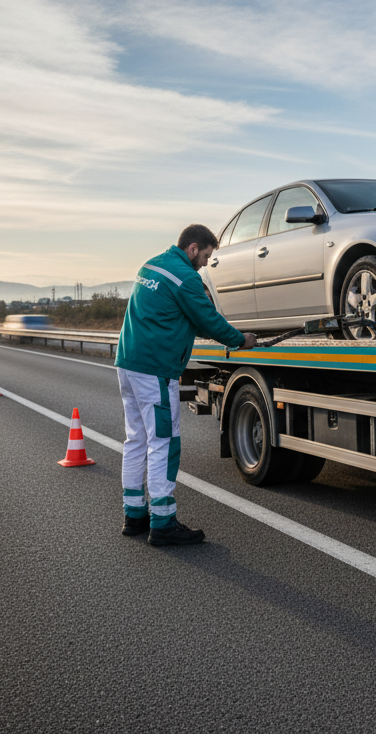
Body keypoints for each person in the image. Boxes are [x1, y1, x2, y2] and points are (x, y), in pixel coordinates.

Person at [115, 224, 256, 546]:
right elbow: (207, 319)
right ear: (193, 248)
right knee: (163, 442)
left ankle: (134, 514)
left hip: (128, 364)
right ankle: (163, 522)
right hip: (155, 370)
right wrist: (240, 340)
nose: (206, 263)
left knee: (136, 440)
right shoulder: (185, 277)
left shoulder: (150, 265)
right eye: (206, 256)